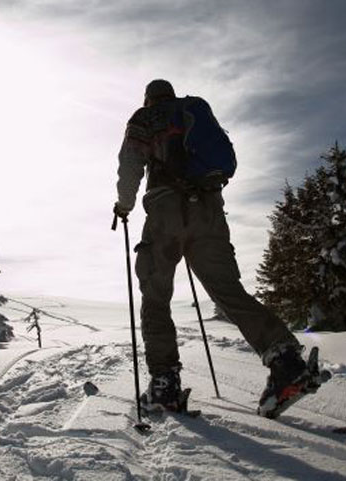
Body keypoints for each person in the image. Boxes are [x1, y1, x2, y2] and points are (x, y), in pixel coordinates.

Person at [113, 79, 310, 418]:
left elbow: (131, 162)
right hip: (208, 211)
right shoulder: (191, 109)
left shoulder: (144, 118)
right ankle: (286, 360)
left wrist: (124, 204)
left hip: (165, 212)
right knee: (227, 290)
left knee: (155, 297)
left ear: (148, 99)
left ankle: (164, 384)